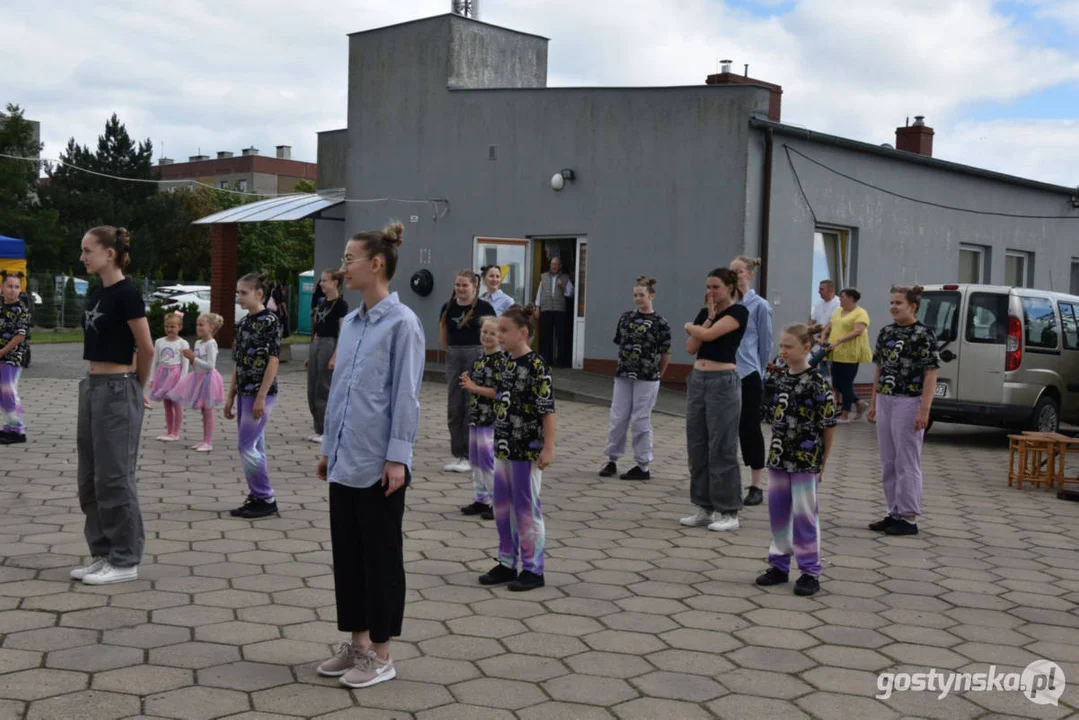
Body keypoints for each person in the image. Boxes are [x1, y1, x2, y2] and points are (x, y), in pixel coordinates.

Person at [316, 222, 424, 690]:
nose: (344, 266)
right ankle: (357, 646)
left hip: (381, 463)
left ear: (375, 264)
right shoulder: (351, 322)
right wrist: (327, 448)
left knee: (380, 558)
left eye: (350, 259)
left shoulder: (403, 324)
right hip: (345, 457)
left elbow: (406, 396)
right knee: (349, 555)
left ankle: (382, 654)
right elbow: (340, 391)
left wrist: (397, 457)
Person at [71, 226, 154, 586]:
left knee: (114, 476)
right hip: (91, 387)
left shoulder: (127, 294)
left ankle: (125, 558)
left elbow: (146, 349)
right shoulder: (96, 292)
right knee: (90, 478)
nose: (83, 257)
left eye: (88, 250)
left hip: (118, 389)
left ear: (109, 253)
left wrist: (137, 387)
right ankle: (102, 552)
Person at [478, 304, 556, 592]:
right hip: (503, 446)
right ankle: (507, 563)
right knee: (502, 507)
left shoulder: (537, 366)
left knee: (526, 508)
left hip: (527, 450)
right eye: (497, 330)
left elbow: (548, 409)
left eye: (504, 331)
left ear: (522, 333)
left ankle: (533, 569)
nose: (499, 336)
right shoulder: (507, 363)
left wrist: (549, 447)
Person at [755, 324, 836, 597]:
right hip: (778, 456)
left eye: (789, 347)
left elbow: (828, 424)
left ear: (806, 348)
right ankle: (778, 564)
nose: (784, 352)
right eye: (782, 346)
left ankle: (810, 570)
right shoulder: (779, 378)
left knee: (804, 515)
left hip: (805, 459)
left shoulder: (817, 382)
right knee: (778, 512)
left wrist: (822, 461)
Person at [867, 285, 940, 537]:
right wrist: (874, 401)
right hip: (886, 398)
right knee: (888, 460)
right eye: (891, 303)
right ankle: (893, 511)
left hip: (909, 401)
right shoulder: (886, 332)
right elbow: (879, 367)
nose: (893, 307)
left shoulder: (924, 334)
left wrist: (924, 410)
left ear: (913, 306)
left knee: (907, 460)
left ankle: (909, 517)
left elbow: (931, 373)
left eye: (899, 303)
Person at [681, 268, 749, 533]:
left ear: (730, 287)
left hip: (723, 383)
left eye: (716, 287)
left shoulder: (738, 312)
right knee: (697, 446)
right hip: (698, 381)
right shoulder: (705, 314)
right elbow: (691, 347)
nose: (711, 292)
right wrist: (706, 319)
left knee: (721, 446)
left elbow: (707, 337)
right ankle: (703, 507)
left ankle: (729, 510)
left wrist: (690, 326)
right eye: (708, 286)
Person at [598, 276, 671, 481]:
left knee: (641, 419)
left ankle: (642, 464)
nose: (638, 299)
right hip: (623, 374)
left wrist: (658, 375)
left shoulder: (660, 323)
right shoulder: (626, 318)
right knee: (618, 417)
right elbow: (620, 343)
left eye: (642, 295)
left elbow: (665, 354)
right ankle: (612, 459)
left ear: (651, 296)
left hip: (647, 377)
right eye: (635, 295)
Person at [224, 272, 282, 520]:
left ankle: (266, 496)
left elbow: (273, 359)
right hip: (244, 392)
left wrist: (261, 396)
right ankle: (257, 495)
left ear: (259, 294)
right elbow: (238, 363)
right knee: (256, 446)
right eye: (237, 292)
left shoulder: (270, 320)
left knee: (246, 446)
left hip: (261, 393)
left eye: (243, 293)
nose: (239, 297)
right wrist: (230, 395)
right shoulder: (242, 323)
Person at [439, 269, 496, 473]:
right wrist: (450, 355)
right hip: (455, 355)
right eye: (458, 285)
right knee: (455, 406)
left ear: (474, 287)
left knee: (472, 404)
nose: (460, 289)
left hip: (476, 355)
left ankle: (472, 454)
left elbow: (493, 334)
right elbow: (444, 333)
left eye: (465, 285)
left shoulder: (484, 307)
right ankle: (458, 453)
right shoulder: (448, 307)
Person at [729, 256, 773, 508]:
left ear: (750, 274)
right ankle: (724, 479)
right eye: (732, 271)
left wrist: (759, 371)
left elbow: (765, 343)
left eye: (739, 271)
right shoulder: (726, 303)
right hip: (724, 372)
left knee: (750, 429)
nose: (735, 276)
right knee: (723, 427)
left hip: (748, 373)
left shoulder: (759, 306)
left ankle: (755, 485)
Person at [459, 316, 503, 519]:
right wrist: (469, 382)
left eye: (492, 333)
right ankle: (481, 499)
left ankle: (497, 502)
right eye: (484, 332)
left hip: (490, 420)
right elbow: (475, 389)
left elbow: (497, 392)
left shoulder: (501, 362)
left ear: (500, 337)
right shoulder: (479, 360)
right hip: (476, 417)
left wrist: (474, 387)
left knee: (488, 462)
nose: (487, 336)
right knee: (475, 461)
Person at [168, 313, 225, 452]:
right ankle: (204, 439)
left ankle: (208, 441)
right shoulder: (198, 343)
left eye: (201, 325)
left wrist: (193, 358)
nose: (198, 327)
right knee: (203, 411)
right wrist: (191, 359)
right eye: (197, 324)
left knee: (208, 410)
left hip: (208, 379)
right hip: (198, 377)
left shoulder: (211, 344)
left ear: (211, 327)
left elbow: (211, 365)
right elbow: (196, 363)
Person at [306, 269, 348, 444]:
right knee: (312, 387)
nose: (321, 284)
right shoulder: (322, 303)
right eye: (321, 281)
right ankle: (318, 427)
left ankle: (327, 430)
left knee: (324, 386)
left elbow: (343, 331)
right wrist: (311, 352)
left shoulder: (341, 305)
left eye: (325, 281)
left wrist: (335, 355)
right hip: (317, 342)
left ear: (335, 283)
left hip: (329, 343)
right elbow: (316, 328)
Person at [822, 288, 872, 423]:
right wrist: (823, 337)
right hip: (836, 352)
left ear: (851, 298)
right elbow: (830, 325)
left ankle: (845, 414)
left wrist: (839, 340)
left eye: (842, 297)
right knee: (836, 384)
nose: (840, 299)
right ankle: (859, 403)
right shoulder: (838, 311)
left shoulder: (860, 313)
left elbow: (858, 331)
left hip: (850, 353)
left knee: (846, 384)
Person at [147, 311, 190, 442]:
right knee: (167, 404)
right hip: (162, 375)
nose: (169, 329)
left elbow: (185, 362)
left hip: (175, 375)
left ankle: (175, 433)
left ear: (179, 327)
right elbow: (155, 360)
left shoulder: (183, 343)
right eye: (167, 326)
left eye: (173, 326)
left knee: (177, 403)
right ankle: (169, 431)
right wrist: (152, 377)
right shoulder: (159, 342)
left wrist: (183, 380)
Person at [0, 272, 30, 444]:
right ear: (2, 287)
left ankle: (18, 430)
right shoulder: (1, 306)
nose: (13, 290)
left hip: (12, 358)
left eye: (16, 287)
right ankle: (8, 427)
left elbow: (20, 335)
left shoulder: (22, 310)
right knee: (2, 394)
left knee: (9, 391)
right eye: (9, 286)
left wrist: (3, 351)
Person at [535, 256, 574, 368]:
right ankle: (546, 360)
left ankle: (561, 361)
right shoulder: (544, 277)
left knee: (561, 336)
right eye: (553, 264)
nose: (555, 266)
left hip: (559, 309)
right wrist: (537, 307)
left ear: (560, 266)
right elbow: (539, 293)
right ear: (550, 265)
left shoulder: (565, 278)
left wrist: (562, 286)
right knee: (545, 336)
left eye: (557, 264)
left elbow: (570, 294)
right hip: (546, 308)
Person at [809, 279, 840, 382]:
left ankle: (829, 390)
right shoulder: (818, 304)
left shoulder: (838, 304)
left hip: (830, 343)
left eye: (821, 289)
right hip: (818, 342)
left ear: (830, 290)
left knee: (828, 369)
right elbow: (812, 321)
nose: (819, 292)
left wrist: (823, 336)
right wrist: (808, 331)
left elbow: (833, 323)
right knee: (817, 367)